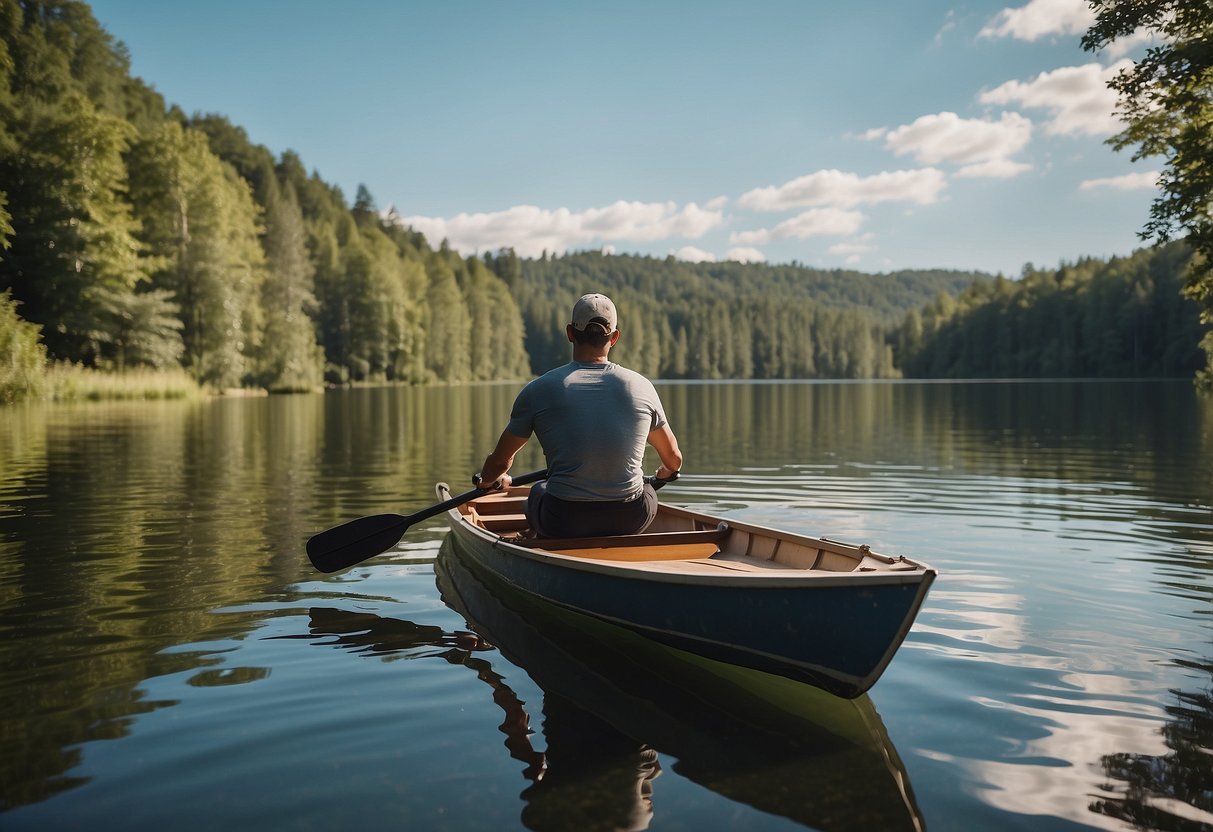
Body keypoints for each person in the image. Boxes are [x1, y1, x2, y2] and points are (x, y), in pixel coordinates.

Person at [476, 292, 682, 539]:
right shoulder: (642, 386)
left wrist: (489, 482)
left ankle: (536, 536)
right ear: (614, 338)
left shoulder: (538, 389)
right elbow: (674, 459)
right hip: (630, 517)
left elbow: (500, 462)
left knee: (538, 492)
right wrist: (665, 473)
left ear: (570, 333)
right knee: (647, 490)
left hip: (565, 520)